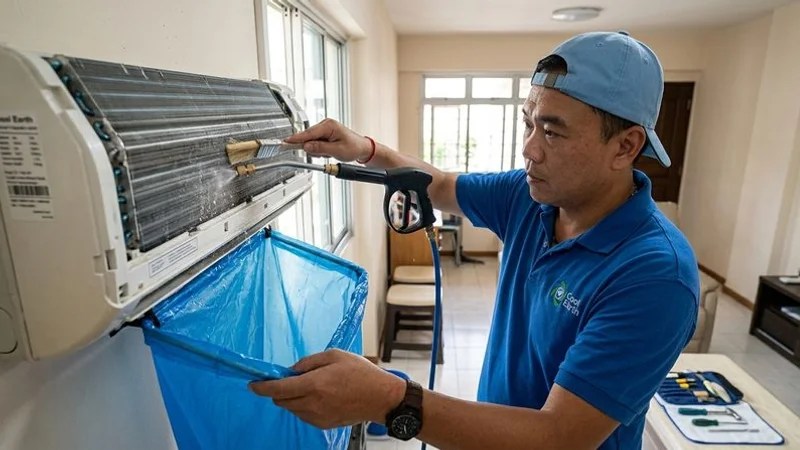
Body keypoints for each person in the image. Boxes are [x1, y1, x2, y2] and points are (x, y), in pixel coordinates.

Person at [249, 30, 699, 450]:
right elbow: (440, 185)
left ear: (625, 146)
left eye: (552, 131)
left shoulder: (655, 276)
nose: (529, 148)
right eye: (529, 124)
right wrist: (367, 150)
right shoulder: (529, 197)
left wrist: (391, 399)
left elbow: (559, 438)